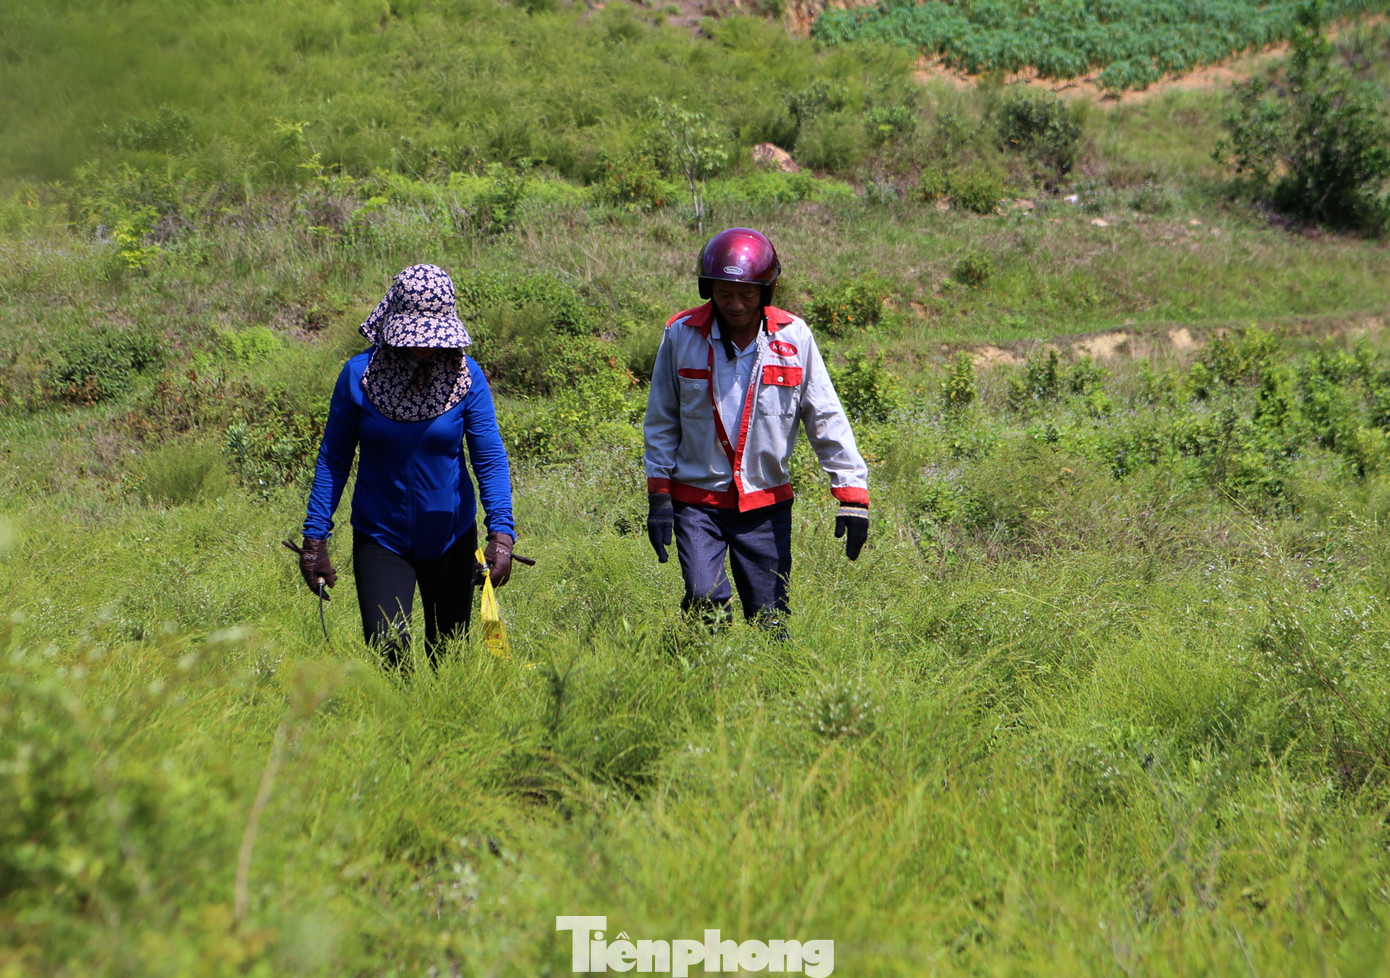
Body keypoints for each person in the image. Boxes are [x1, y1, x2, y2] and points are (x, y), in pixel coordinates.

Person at [642, 227, 869, 629]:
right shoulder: (681, 334)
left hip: (765, 505)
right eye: (724, 293)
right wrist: (659, 498)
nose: (735, 305)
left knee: (770, 618)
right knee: (704, 600)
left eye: (747, 295)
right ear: (708, 289)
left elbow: (826, 417)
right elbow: (662, 419)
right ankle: (702, 666)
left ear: (766, 291)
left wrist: (851, 494)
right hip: (698, 503)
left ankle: (771, 669)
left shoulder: (794, 337)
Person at [295, 263, 516, 667]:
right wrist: (314, 540)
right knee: (388, 647)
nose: (426, 345)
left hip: (451, 537)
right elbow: (333, 458)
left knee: (448, 657)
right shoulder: (358, 376)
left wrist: (502, 535)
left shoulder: (467, 378)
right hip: (381, 536)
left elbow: (489, 458)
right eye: (416, 335)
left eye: (434, 335)